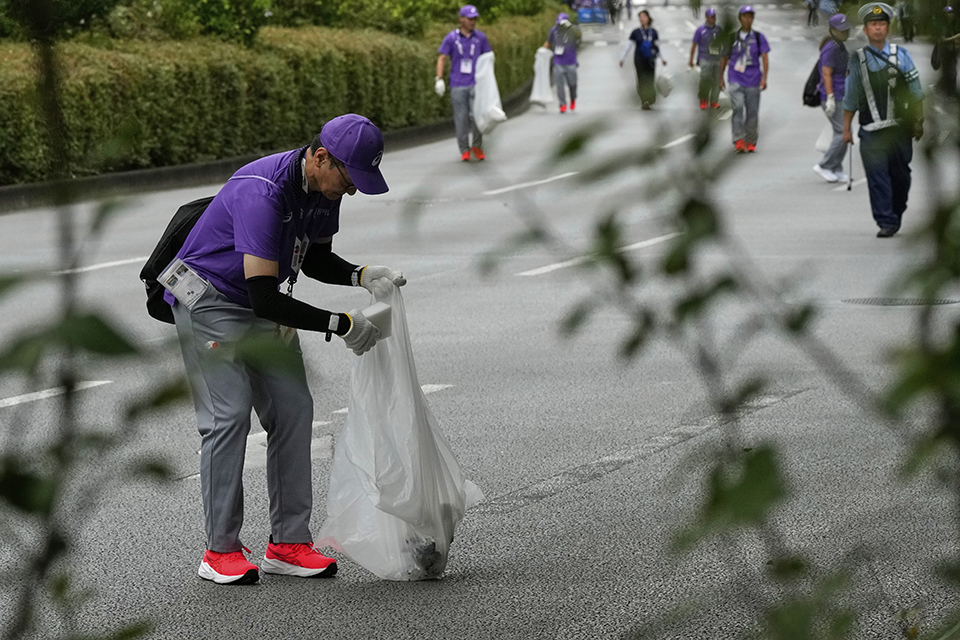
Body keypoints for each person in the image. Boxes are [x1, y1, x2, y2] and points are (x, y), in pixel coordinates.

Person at [165, 113, 407, 584]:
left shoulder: (323, 189)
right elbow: (264, 296)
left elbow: (314, 259)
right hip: (210, 301)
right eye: (349, 179)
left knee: (295, 409)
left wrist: (360, 274)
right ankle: (219, 550)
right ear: (322, 157)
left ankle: (289, 543)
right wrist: (340, 323)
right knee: (228, 416)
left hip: (260, 300)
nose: (351, 191)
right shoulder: (263, 191)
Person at [842, 2, 924, 237]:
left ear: (887, 28)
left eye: (881, 24)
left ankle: (895, 213)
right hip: (870, 132)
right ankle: (885, 220)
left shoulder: (902, 55)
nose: (877, 28)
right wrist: (846, 129)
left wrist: (918, 120)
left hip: (899, 131)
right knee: (878, 179)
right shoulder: (857, 60)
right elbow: (850, 98)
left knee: (901, 177)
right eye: (873, 24)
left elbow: (916, 90)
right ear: (866, 30)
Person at [435, 5, 493, 162]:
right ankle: (464, 149)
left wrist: (489, 81)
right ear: (461, 19)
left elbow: (488, 58)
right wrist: (439, 78)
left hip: (476, 83)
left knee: (478, 116)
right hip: (458, 84)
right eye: (470, 19)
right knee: (461, 119)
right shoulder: (451, 38)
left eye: (475, 19)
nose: (473, 22)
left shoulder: (480, 38)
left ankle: (477, 145)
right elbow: (442, 57)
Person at [720, 6, 770, 152]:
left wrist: (764, 78)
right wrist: (720, 77)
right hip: (735, 78)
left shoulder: (759, 38)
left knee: (752, 112)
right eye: (744, 17)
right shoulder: (732, 38)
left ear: (753, 19)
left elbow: (765, 58)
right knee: (738, 107)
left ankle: (751, 140)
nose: (747, 20)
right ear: (740, 19)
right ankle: (738, 139)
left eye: (750, 17)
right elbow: (724, 58)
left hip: (753, 80)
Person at [813, 13, 852, 183]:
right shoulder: (831, 48)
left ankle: (835, 168)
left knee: (844, 133)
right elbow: (826, 74)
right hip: (833, 96)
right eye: (841, 30)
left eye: (846, 30)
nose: (845, 33)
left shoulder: (840, 46)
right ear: (832, 30)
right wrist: (829, 97)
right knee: (843, 132)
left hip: (842, 94)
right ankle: (825, 165)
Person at [620, 10, 668, 110]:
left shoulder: (653, 32)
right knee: (641, 79)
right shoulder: (636, 32)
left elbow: (658, 46)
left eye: (643, 16)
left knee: (650, 79)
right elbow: (628, 46)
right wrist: (622, 58)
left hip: (651, 60)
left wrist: (663, 58)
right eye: (640, 17)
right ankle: (644, 100)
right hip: (639, 59)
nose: (642, 19)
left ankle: (650, 99)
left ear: (648, 18)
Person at [546, 13, 582, 113]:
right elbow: (548, 42)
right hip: (558, 61)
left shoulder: (572, 30)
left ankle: (573, 99)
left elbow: (579, 36)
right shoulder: (554, 30)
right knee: (559, 85)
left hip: (571, 62)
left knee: (572, 84)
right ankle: (562, 104)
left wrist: (571, 27)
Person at [689, 7, 723, 110]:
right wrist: (691, 59)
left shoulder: (718, 29)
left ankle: (714, 101)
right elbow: (694, 45)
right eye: (711, 17)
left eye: (714, 16)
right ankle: (703, 99)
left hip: (716, 58)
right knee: (705, 78)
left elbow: (724, 43)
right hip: (704, 58)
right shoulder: (700, 30)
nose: (713, 19)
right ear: (706, 17)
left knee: (716, 80)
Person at [933, 6, 960, 97]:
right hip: (944, 50)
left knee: (951, 71)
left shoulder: (953, 24)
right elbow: (941, 40)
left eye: (951, 13)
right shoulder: (942, 26)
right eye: (948, 13)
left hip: (952, 50)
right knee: (948, 71)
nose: (950, 15)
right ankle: (947, 90)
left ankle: (949, 90)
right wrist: (955, 37)